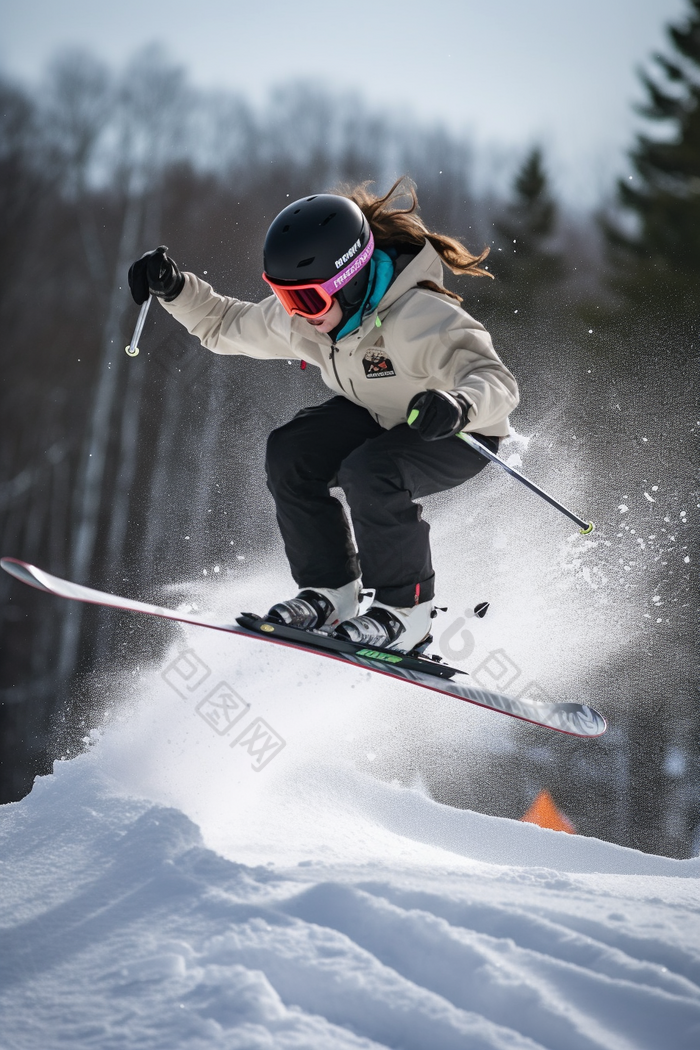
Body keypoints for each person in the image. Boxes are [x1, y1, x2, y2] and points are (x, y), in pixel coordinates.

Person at [128, 178, 519, 653]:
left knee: (372, 471)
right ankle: (332, 592)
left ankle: (406, 612)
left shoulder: (421, 317)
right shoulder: (308, 318)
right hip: (379, 413)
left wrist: (459, 404)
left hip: (457, 431)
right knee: (292, 452)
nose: (298, 313)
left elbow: (497, 381)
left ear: (350, 280)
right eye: (285, 296)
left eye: (308, 299)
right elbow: (227, 325)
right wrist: (174, 289)